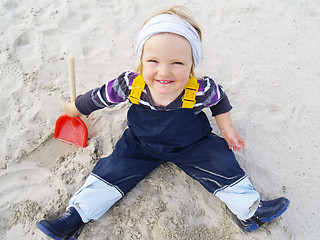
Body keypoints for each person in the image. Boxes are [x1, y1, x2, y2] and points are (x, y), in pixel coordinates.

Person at [36, 6, 289, 239]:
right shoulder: (130, 84)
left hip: (193, 144)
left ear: (191, 65)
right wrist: (76, 108)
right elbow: (99, 97)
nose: (164, 72)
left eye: (177, 63)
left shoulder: (200, 90)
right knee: (110, 171)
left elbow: (220, 100)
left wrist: (227, 128)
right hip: (139, 145)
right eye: (154, 61)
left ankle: (251, 211)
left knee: (223, 163)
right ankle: (75, 216)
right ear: (142, 60)